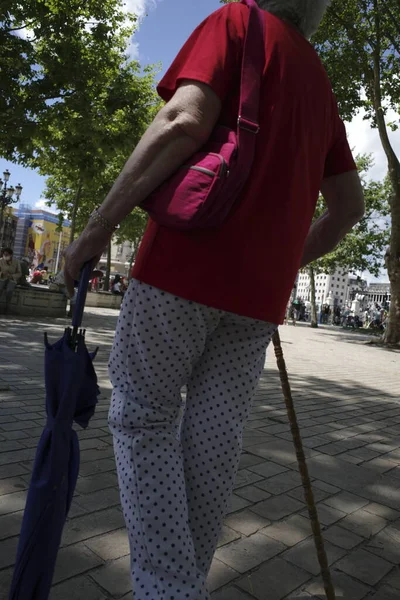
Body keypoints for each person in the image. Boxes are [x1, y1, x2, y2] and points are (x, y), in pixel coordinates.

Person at [64, 2, 365, 597]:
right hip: (255, 302)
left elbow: (182, 120)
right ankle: (183, 583)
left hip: (183, 269)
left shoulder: (236, 21)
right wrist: (280, 264)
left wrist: (99, 226)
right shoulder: (319, 81)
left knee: (143, 416)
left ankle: (170, 590)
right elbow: (348, 210)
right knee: (213, 442)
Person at [0, 248, 22, 314]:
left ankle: (7, 307)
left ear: (11, 255)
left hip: (12, 279)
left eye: (7, 254)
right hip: (2, 278)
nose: (5, 256)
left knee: (9, 291)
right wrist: (1, 274)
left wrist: (12, 276)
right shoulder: (1, 261)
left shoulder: (16, 261)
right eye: (4, 254)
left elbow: (19, 273)